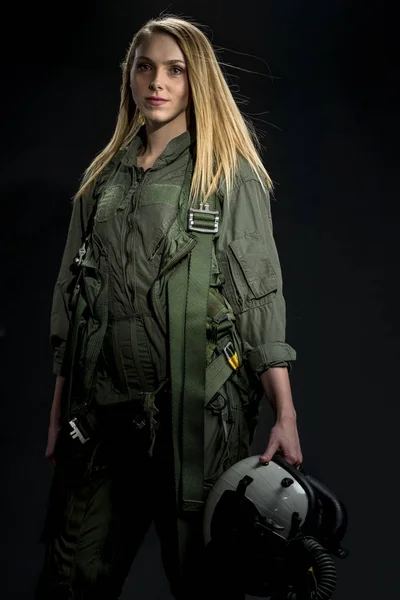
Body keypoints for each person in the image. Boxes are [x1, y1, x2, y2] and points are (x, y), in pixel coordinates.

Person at [35, 14, 303, 600]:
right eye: (145, 66)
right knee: (70, 577)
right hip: (102, 411)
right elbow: (69, 303)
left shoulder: (226, 176)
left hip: (195, 415)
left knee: (205, 579)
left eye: (175, 70)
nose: (158, 81)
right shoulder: (101, 183)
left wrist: (284, 412)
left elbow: (259, 294)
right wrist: (59, 412)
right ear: (129, 77)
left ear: (196, 81)